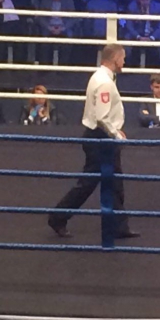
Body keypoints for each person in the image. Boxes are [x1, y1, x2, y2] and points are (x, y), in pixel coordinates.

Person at [48, 44, 139, 239]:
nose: (124, 62)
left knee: (113, 183)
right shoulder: (105, 82)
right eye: (123, 58)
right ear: (115, 58)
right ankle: (57, 217)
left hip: (100, 136)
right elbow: (102, 117)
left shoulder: (100, 77)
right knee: (88, 183)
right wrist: (116, 135)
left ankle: (118, 226)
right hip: (101, 139)